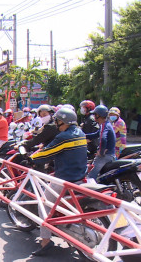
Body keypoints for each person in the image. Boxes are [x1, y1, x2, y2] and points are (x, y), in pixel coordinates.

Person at [29, 107, 88, 256]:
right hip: (79, 176)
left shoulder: (63, 137)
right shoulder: (80, 133)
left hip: (65, 179)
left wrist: (31, 158)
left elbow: (46, 154)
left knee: (44, 206)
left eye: (58, 121)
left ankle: (45, 242)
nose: (56, 124)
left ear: (64, 121)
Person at [86, 105, 116, 181]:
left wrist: (101, 152)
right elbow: (96, 134)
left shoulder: (104, 125)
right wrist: (82, 136)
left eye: (95, 115)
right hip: (111, 155)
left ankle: (89, 193)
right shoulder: (107, 124)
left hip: (104, 156)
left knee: (90, 177)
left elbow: (103, 139)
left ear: (98, 115)